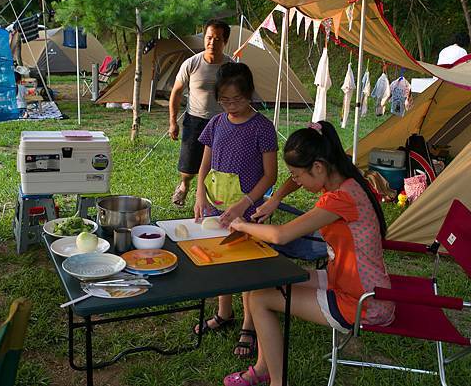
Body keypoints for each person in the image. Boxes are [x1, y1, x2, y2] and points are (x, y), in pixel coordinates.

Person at [223, 121, 394, 386]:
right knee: (262, 290)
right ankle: (263, 369)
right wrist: (277, 197)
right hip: (352, 281)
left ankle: (274, 380)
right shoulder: (343, 179)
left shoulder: (339, 199)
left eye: (297, 175)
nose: (296, 181)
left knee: (260, 300)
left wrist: (241, 225)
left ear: (318, 167)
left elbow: (281, 235)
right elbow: (299, 181)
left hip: (362, 301)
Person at [193, 62, 278, 359]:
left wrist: (245, 202)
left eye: (237, 100)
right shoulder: (216, 123)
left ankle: (248, 325)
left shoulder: (262, 127)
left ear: (250, 94)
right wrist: (199, 193)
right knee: (221, 259)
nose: (231, 106)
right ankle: (224, 312)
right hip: (218, 205)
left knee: (245, 267)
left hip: (250, 209)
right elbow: (204, 164)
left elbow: (270, 175)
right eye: (225, 101)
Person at [168, 19, 233, 207]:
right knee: (188, 166)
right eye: (209, 37)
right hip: (195, 120)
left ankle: (208, 196)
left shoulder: (230, 66)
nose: (212, 42)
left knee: (218, 164)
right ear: (204, 38)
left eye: (218, 39)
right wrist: (173, 122)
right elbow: (177, 92)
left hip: (222, 121)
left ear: (225, 41)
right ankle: (184, 185)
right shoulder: (191, 63)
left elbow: (240, 94)